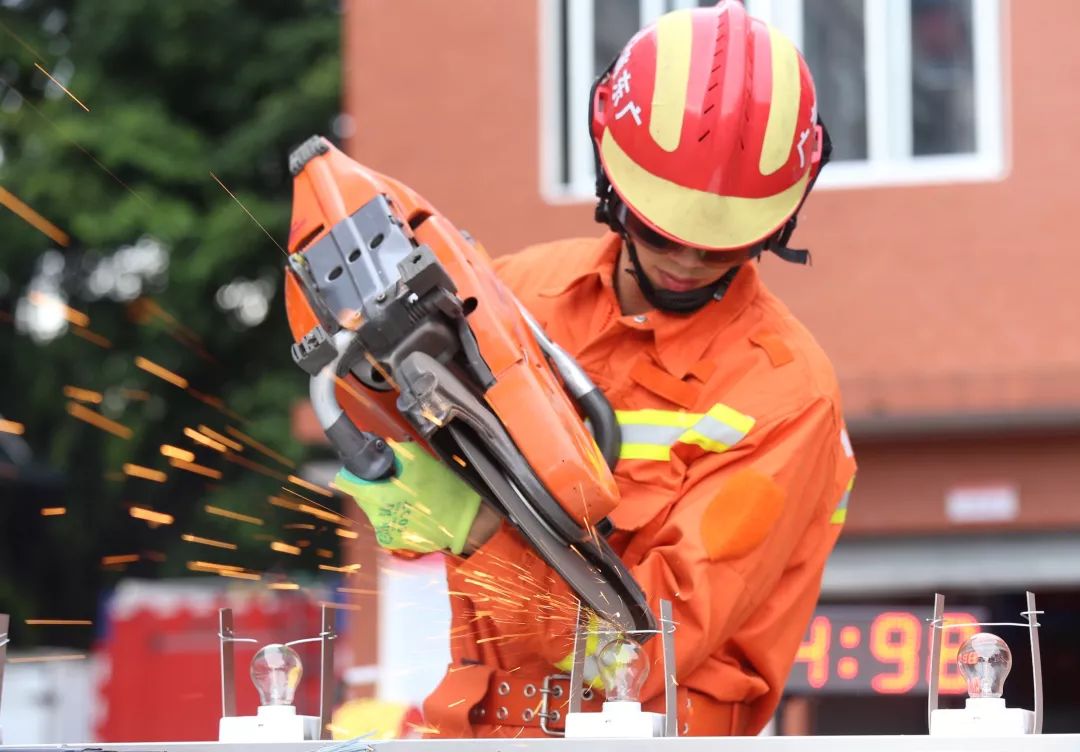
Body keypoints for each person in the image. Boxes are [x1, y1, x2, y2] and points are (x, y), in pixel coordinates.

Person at [336, 0, 856, 738]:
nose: (687, 258)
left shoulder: (784, 393)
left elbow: (635, 658)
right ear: (615, 180)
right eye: (662, 226)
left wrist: (475, 530)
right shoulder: (516, 298)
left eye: (725, 242)